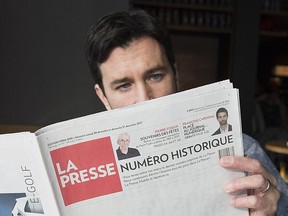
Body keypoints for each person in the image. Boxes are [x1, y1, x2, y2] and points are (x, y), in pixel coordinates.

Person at [85, 9, 288, 215]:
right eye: (123, 86)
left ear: (176, 76)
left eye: (155, 76)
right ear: (103, 96)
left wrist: (275, 210)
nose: (144, 99)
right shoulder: (88, 174)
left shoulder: (242, 150)